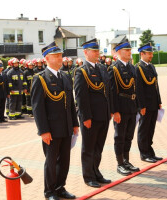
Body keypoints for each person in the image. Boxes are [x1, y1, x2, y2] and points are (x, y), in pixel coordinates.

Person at [31, 41, 79, 200]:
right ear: (46, 58)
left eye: (61, 55)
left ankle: (60, 187)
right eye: (56, 56)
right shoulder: (40, 79)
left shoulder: (65, 77)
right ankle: (49, 191)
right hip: (51, 129)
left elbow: (71, 103)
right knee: (51, 162)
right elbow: (38, 108)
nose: (60, 58)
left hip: (65, 127)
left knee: (64, 160)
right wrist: (43, 130)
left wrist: (74, 124)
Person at [74, 38, 113, 188]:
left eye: (98, 50)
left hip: (103, 115)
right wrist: (85, 117)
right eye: (94, 51)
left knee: (99, 147)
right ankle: (88, 176)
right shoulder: (81, 71)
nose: (97, 53)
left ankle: (96, 172)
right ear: (86, 52)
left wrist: (109, 111)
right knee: (89, 148)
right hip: (90, 117)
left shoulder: (102, 68)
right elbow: (80, 97)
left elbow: (107, 92)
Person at [108, 38, 140, 176]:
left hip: (132, 107)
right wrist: (115, 111)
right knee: (119, 137)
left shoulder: (132, 67)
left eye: (130, 50)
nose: (129, 52)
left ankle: (126, 161)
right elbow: (112, 92)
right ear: (119, 52)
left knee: (129, 136)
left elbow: (135, 89)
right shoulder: (114, 68)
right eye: (127, 50)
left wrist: (138, 107)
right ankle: (120, 163)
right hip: (121, 107)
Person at [135, 43, 163, 163]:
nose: (151, 55)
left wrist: (159, 101)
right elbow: (139, 89)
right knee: (144, 129)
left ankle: (150, 151)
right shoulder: (138, 68)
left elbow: (156, 86)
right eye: (149, 53)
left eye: (152, 53)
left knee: (151, 128)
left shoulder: (151, 67)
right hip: (145, 105)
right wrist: (141, 106)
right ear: (142, 54)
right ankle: (144, 153)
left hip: (153, 103)